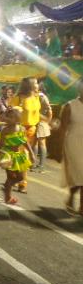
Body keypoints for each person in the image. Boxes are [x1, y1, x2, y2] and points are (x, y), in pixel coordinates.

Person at [0, 107, 35, 205]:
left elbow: (25, 141)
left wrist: (31, 153)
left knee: (20, 177)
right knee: (10, 177)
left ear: (18, 118)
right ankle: (8, 197)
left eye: (12, 117)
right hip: (8, 156)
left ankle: (7, 186)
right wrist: (0, 154)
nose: (9, 119)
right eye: (8, 117)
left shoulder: (22, 128)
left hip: (19, 156)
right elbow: (0, 144)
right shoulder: (5, 130)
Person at [10, 77, 41, 193]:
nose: (38, 84)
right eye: (36, 82)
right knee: (24, 156)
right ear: (30, 85)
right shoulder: (18, 98)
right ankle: (22, 182)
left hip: (32, 130)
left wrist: (48, 118)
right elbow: (13, 114)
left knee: (22, 156)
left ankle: (15, 178)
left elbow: (36, 114)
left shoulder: (37, 97)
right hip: (20, 130)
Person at [59, 79, 83, 215]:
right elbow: (62, 128)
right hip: (73, 144)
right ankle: (73, 198)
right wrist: (59, 148)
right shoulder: (70, 106)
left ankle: (79, 204)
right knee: (79, 173)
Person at [35, 84, 52, 172]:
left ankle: (41, 165)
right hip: (37, 121)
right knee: (36, 143)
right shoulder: (38, 96)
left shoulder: (41, 97)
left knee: (41, 143)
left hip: (41, 122)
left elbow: (49, 110)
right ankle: (35, 164)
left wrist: (48, 121)